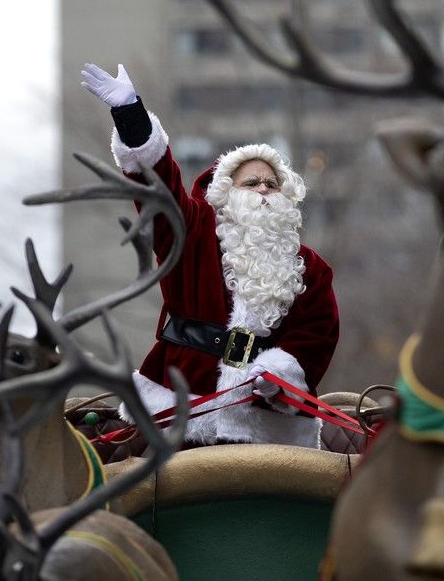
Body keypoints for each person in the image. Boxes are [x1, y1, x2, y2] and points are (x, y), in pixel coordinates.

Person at [81, 62, 340, 448]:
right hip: (180, 415)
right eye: (251, 183)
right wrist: (131, 114)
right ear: (225, 194)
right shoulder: (193, 234)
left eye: (272, 184)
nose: (264, 190)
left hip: (269, 427)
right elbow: (161, 189)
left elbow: (319, 332)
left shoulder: (310, 266)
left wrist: (282, 374)